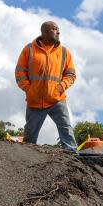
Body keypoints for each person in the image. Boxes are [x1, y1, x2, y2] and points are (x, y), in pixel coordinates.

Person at [15, 21, 77, 151]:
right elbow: (20, 72)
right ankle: (26, 157)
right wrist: (28, 89)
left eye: (58, 29)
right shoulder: (29, 49)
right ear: (44, 32)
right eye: (54, 29)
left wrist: (61, 87)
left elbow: (71, 74)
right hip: (35, 101)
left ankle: (73, 155)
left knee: (66, 128)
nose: (58, 32)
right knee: (29, 137)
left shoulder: (65, 52)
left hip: (57, 99)